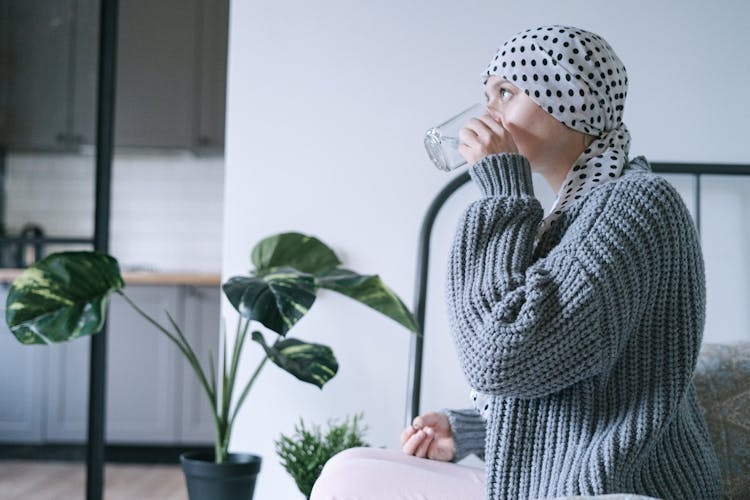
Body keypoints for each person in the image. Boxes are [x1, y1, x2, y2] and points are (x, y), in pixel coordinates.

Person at [310, 24, 723, 500]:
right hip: (551, 483)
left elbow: (501, 358)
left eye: (506, 92)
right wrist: (467, 430)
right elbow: (570, 388)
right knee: (350, 473)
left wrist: (503, 193)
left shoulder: (639, 202)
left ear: (575, 100)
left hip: (624, 488)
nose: (488, 114)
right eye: (487, 95)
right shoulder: (558, 222)